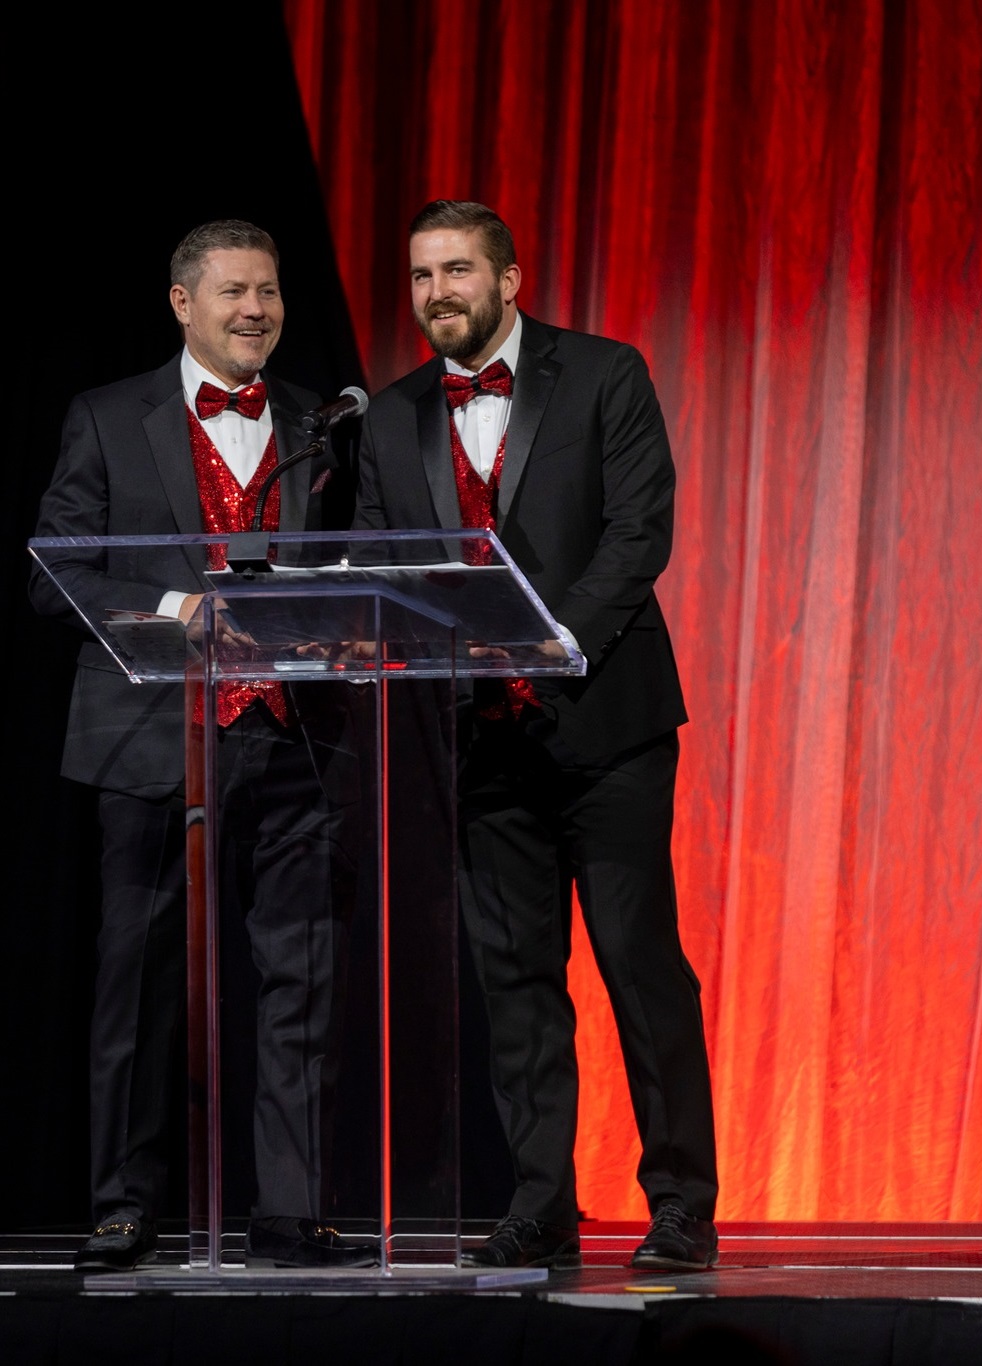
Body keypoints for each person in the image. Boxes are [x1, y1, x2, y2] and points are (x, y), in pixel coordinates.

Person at [355, 200, 719, 1271]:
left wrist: (552, 643)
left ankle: (681, 1203)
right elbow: (383, 556)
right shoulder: (388, 415)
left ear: (509, 281)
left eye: (457, 271)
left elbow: (637, 529)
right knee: (514, 979)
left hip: (604, 721)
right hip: (476, 740)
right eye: (421, 276)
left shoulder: (605, 373)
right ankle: (539, 1202)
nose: (437, 294)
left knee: (637, 964)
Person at [30, 219, 375, 1271]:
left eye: (267, 292)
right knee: (135, 979)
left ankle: (289, 1207)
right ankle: (124, 1203)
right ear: (183, 304)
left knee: (300, 978)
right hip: (150, 735)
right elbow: (54, 575)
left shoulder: (324, 422)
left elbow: (360, 557)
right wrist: (177, 603)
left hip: (292, 737)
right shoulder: (107, 417)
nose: (255, 311)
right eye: (232, 292)